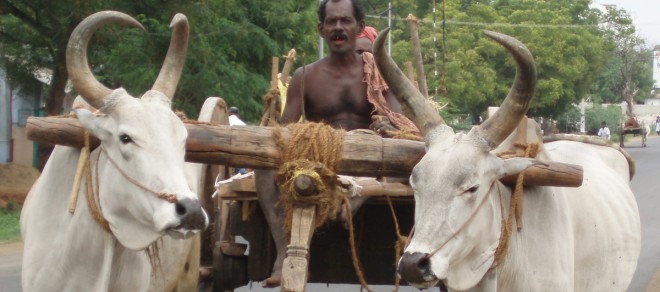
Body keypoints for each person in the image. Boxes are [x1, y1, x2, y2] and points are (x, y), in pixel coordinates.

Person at [254, 0, 419, 288]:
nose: (338, 27)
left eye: (345, 21)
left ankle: (361, 193)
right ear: (321, 29)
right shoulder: (305, 77)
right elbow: (284, 135)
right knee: (262, 167)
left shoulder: (378, 71)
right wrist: (305, 139)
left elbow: (401, 122)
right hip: (320, 165)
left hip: (374, 164)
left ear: (358, 27)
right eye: (331, 22)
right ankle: (285, 254)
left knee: (415, 157)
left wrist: (387, 126)